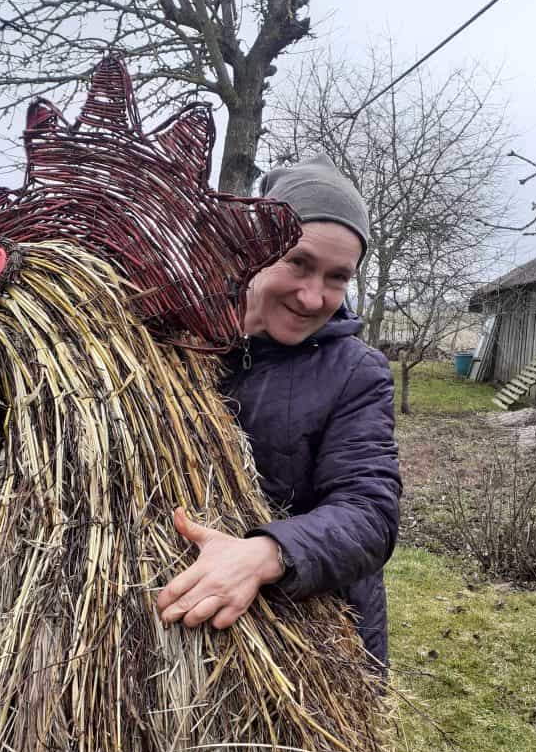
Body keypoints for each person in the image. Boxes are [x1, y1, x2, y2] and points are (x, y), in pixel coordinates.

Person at [156, 154, 401, 675]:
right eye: (299, 263)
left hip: (310, 644)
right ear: (256, 251)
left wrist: (262, 554)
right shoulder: (180, 340)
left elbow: (370, 514)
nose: (314, 297)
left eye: (337, 278)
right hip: (174, 620)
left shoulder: (356, 372)